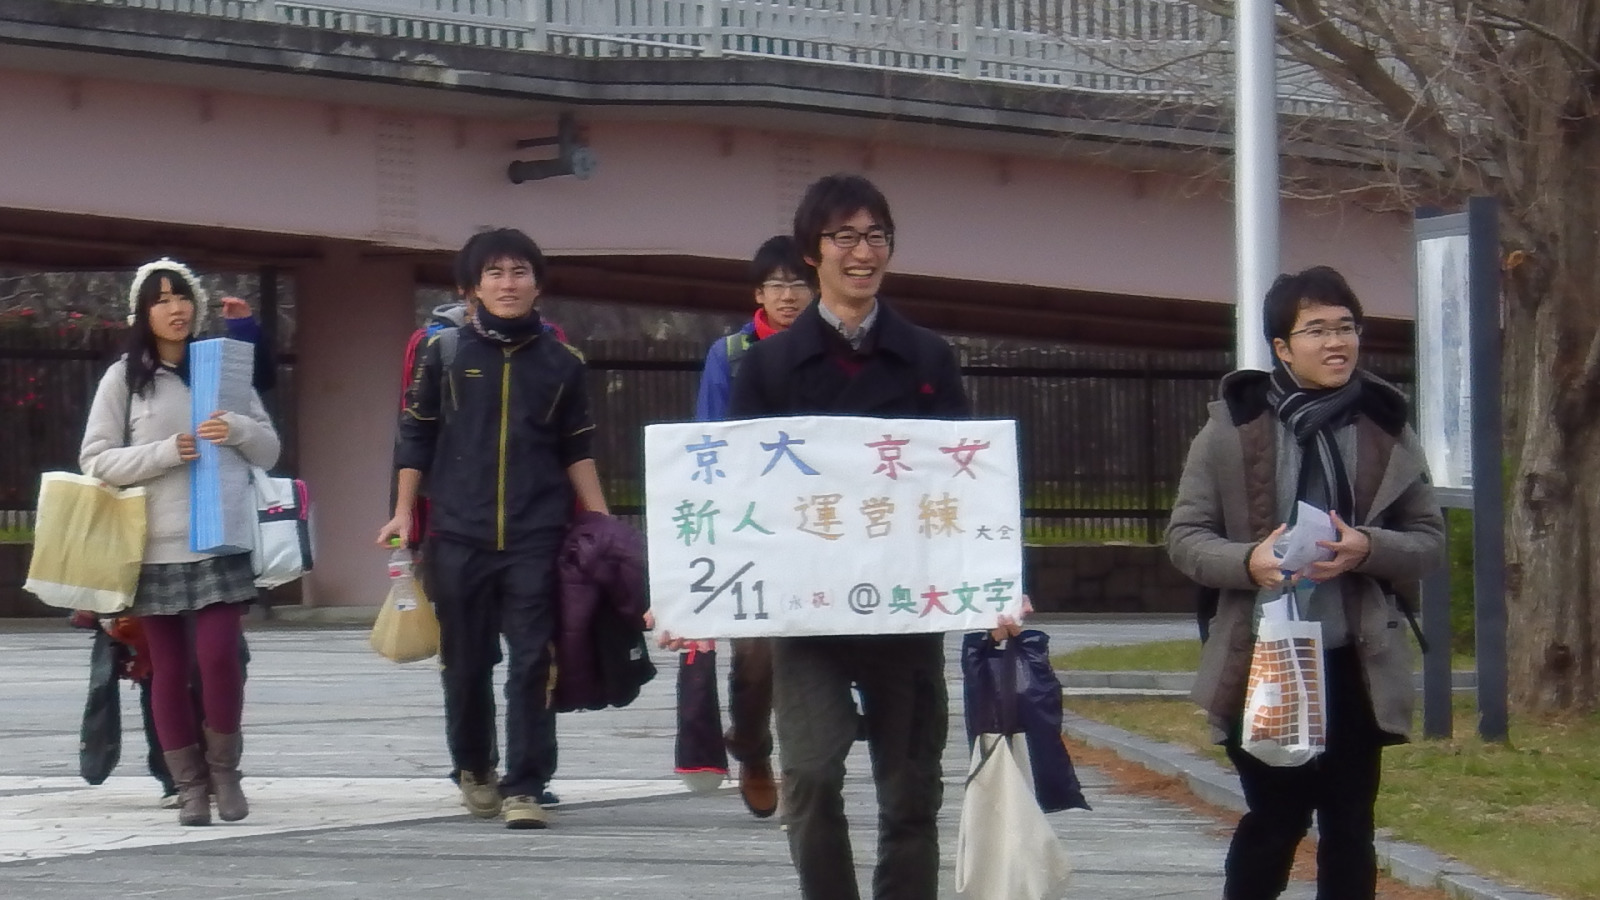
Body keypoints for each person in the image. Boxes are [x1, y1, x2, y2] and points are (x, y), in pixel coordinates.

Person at [719, 174, 1012, 899]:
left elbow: (965, 483)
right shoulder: (768, 367)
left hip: (905, 609)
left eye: (876, 236)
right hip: (808, 615)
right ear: (812, 252)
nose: (863, 252)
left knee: (911, 790)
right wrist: (691, 597)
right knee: (811, 774)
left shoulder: (927, 358)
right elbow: (734, 494)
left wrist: (997, 587)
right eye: (844, 237)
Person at [1165, 265, 1445, 900]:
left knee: (1350, 825)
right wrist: (1250, 561)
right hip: (1263, 656)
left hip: (1352, 658)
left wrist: (1367, 547)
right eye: (1316, 330)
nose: (1336, 342)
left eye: (1346, 327)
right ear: (1282, 348)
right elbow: (1185, 537)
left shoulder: (1385, 428)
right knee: (1277, 818)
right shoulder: (1231, 429)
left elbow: (1428, 540)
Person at [378, 228, 609, 831]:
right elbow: (415, 437)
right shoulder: (444, 353)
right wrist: (403, 512)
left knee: (534, 660)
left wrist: (601, 520)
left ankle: (526, 784)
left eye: (520, 272)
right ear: (472, 288)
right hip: (457, 534)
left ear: (538, 284)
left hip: (537, 535)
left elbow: (577, 449)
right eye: (495, 274)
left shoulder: (563, 364)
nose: (509, 285)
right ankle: (474, 767)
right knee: (466, 661)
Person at [79, 258, 281, 826]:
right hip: (154, 545)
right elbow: (95, 460)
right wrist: (166, 451)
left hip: (220, 538)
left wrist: (237, 429)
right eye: (161, 299)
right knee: (166, 669)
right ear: (143, 313)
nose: (176, 308)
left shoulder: (222, 368)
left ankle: (225, 774)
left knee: (219, 657)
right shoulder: (125, 377)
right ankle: (189, 787)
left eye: (183, 296)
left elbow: (269, 449)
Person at [687, 234, 811, 818]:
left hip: (823, 521)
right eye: (776, 285)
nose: (788, 296)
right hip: (752, 522)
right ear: (758, 294)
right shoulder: (730, 354)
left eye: (798, 284)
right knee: (756, 652)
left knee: (825, 644)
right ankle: (754, 749)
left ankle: (811, 765)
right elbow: (707, 437)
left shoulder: (839, 348)